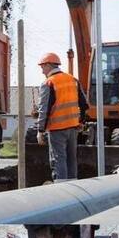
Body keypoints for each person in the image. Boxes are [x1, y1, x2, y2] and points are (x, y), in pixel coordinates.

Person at [36, 53, 88, 181]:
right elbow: (84, 104)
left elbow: (44, 109)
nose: (42, 71)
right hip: (73, 128)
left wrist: (40, 130)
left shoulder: (48, 83)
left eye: (42, 67)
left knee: (58, 159)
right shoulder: (73, 80)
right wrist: (81, 121)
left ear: (48, 65)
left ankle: (61, 188)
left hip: (57, 129)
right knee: (71, 159)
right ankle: (73, 187)